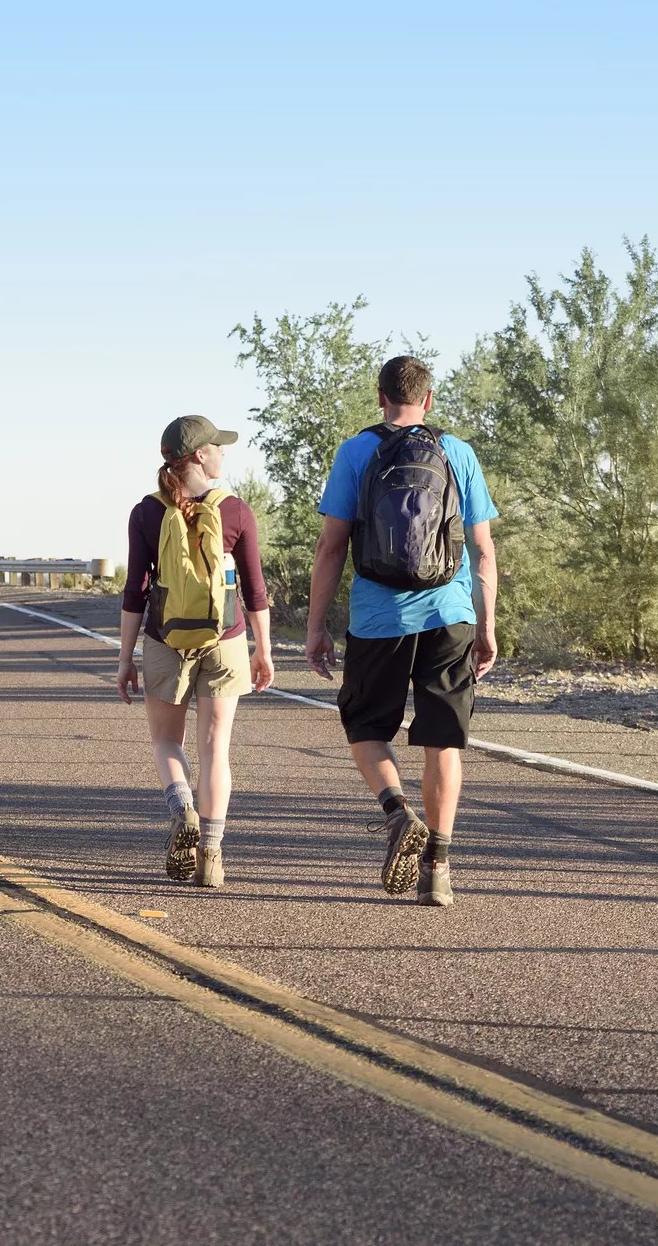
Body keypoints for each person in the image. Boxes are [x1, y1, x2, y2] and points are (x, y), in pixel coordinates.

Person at [305, 356, 498, 907]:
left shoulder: (355, 451)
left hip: (377, 618)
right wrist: (486, 626)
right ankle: (437, 868)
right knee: (442, 739)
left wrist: (317, 628)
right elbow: (482, 551)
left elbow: (331, 547)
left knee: (365, 727)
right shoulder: (457, 453)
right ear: (429, 399)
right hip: (449, 615)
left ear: (380, 396)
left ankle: (397, 812)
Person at [116, 415, 275, 889]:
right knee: (215, 750)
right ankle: (211, 855)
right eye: (218, 447)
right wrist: (263, 649)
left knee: (167, 742)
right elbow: (255, 589)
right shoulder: (237, 511)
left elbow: (134, 592)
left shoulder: (145, 512)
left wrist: (125, 659)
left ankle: (181, 806)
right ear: (200, 456)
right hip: (225, 640)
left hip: (166, 641)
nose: (224, 453)